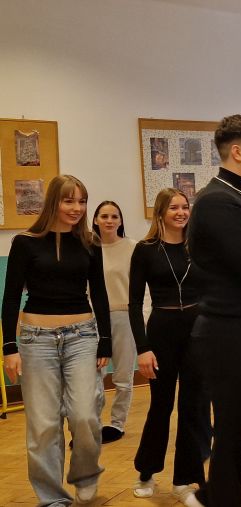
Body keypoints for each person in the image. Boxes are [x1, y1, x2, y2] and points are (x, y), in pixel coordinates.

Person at [2, 174, 111, 505]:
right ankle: (52, 498)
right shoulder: (25, 243)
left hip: (82, 336)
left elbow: (100, 294)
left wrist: (105, 341)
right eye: (69, 200)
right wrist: (9, 347)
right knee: (44, 425)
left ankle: (85, 475)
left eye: (82, 201)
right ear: (53, 202)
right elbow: (10, 299)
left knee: (85, 415)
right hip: (36, 340)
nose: (77, 208)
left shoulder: (90, 243)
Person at [185, 114, 241, 507]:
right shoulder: (217, 202)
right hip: (231, 333)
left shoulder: (238, 197)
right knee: (235, 432)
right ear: (237, 152)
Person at [129, 188, 208, 503]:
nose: (181, 212)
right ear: (160, 212)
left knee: (193, 407)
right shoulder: (145, 249)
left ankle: (184, 480)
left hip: (197, 332)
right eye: (174, 207)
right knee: (161, 406)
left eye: (185, 207)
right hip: (161, 331)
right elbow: (134, 304)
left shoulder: (197, 246)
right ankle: (146, 472)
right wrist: (142, 348)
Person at [92, 200, 137, 444]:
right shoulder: (87, 248)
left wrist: (141, 317)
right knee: (93, 376)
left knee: (122, 375)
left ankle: (117, 424)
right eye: (104, 216)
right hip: (92, 319)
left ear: (120, 220)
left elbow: (142, 288)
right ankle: (93, 425)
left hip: (124, 316)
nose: (109, 221)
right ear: (95, 220)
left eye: (114, 216)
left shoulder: (132, 248)